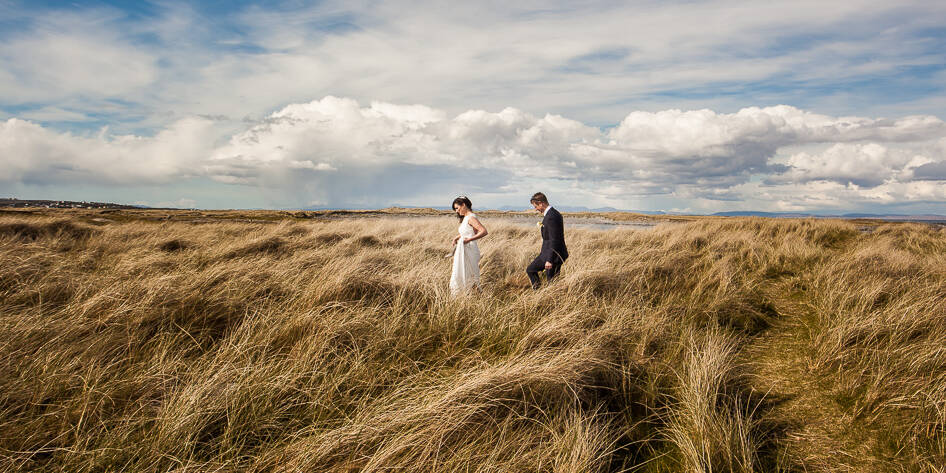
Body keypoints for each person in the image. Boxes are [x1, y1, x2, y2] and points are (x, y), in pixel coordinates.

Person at [527, 192, 568, 289]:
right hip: (548, 253)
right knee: (531, 270)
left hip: (553, 256)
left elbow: (555, 239)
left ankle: (543, 295)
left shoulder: (552, 216)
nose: (535, 209)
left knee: (552, 283)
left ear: (541, 203)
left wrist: (549, 260)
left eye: (535, 206)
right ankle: (539, 293)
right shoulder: (551, 214)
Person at [450, 196, 488, 294]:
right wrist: (457, 237)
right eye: (455, 209)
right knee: (464, 273)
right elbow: (468, 232)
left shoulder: (471, 217)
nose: (456, 211)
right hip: (464, 248)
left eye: (457, 208)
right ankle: (466, 295)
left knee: (470, 273)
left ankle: (475, 294)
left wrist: (470, 239)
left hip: (469, 248)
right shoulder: (466, 218)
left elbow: (483, 231)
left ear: (464, 205)